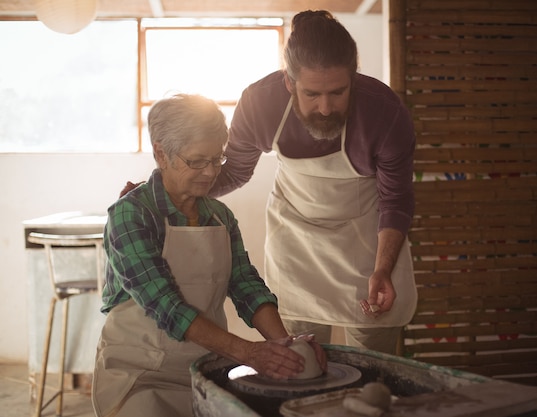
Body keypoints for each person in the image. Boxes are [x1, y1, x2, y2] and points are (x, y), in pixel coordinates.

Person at [92, 93, 325, 417]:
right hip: (139, 376)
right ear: (161, 153)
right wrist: (249, 352)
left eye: (217, 159)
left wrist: (288, 347)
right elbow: (166, 307)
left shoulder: (220, 217)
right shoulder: (131, 215)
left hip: (204, 368)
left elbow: (246, 286)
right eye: (197, 161)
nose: (210, 172)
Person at [208, 10, 418, 355]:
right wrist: (163, 189)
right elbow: (234, 172)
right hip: (296, 246)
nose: (324, 108)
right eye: (312, 94)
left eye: (338, 93)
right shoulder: (259, 103)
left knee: (373, 368)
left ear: (354, 78)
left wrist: (382, 269)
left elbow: (396, 200)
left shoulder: (385, 112)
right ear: (289, 82)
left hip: (366, 245)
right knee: (304, 362)